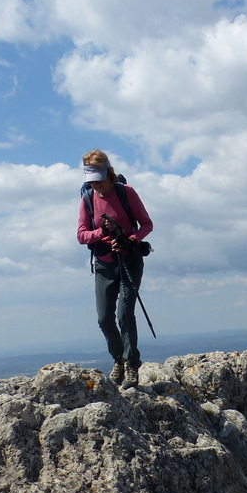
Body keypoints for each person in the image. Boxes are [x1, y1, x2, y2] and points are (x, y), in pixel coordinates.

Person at [76, 150, 154, 388]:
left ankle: (132, 364)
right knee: (104, 318)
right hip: (104, 264)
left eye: (98, 179)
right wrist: (102, 233)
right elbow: (81, 235)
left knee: (124, 313)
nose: (96, 185)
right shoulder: (88, 198)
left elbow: (147, 224)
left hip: (129, 260)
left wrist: (131, 239)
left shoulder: (125, 193)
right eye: (91, 180)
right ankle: (118, 358)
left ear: (108, 173)